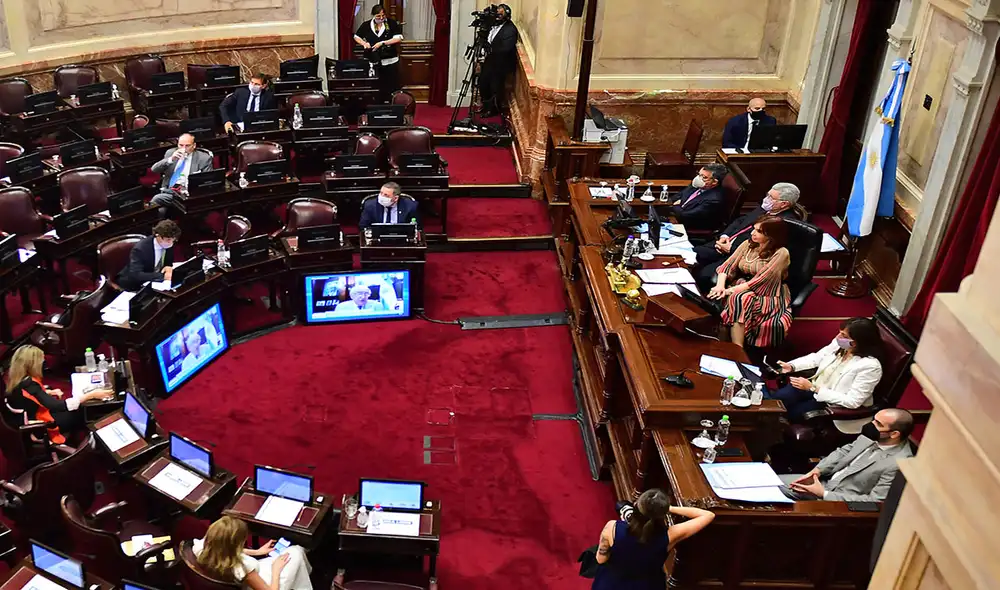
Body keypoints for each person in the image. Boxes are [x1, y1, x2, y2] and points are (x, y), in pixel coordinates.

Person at [779, 409, 914, 502]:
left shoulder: (898, 464)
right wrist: (818, 470)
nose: (871, 425)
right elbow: (843, 452)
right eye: (874, 420)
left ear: (894, 434)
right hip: (823, 481)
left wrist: (823, 494)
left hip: (838, 501)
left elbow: (876, 501)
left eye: (878, 424)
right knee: (765, 483)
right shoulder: (872, 436)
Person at [591, 488, 714, 589]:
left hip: (612, 584)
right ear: (662, 515)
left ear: (636, 506)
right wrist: (669, 508)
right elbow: (708, 515)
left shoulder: (612, 527)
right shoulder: (670, 535)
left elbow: (601, 559)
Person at [692, 182, 804, 291]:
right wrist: (725, 236)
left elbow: (764, 250)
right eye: (768, 195)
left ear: (784, 204)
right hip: (725, 243)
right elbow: (741, 220)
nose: (766, 199)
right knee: (690, 255)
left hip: (741, 256)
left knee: (703, 276)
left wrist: (731, 249)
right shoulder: (765, 209)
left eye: (771, 197)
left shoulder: (782, 223)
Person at [771, 317, 885, 420]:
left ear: (855, 343)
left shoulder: (870, 367)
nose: (837, 337)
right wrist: (792, 366)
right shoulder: (840, 345)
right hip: (812, 388)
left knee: (788, 415)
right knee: (776, 401)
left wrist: (814, 388)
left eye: (844, 336)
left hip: (831, 403)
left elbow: (853, 401)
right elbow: (817, 358)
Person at [707, 216, 791, 348]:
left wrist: (728, 291)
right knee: (734, 296)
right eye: (754, 229)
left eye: (758, 231)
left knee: (740, 298)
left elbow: (760, 281)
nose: (752, 233)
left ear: (771, 236)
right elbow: (727, 266)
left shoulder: (781, 253)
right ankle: (728, 345)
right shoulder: (748, 244)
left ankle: (737, 348)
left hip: (767, 293)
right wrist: (719, 286)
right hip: (741, 285)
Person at [4, 345, 111, 444]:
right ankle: (93, 441)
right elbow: (58, 406)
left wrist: (48, 392)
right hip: (39, 426)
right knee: (82, 412)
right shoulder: (29, 384)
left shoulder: (17, 379)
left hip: (27, 417)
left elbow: (30, 397)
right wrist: (91, 395)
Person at [194, 516, 312, 590]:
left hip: (246, 577)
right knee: (297, 552)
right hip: (261, 584)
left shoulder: (200, 547)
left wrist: (257, 552)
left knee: (295, 556)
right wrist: (276, 569)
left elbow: (225, 549)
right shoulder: (244, 567)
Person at [149, 134, 214, 219]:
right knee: (158, 205)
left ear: (194, 145)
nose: (183, 148)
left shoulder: (204, 158)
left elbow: (208, 180)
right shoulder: (170, 153)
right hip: (171, 191)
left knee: (158, 199)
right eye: (181, 145)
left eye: (187, 145)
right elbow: (154, 169)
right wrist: (171, 159)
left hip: (190, 194)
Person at [354, 5, 404, 102]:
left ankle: (390, 103)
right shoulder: (366, 25)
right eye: (378, 16)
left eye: (383, 16)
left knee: (390, 84)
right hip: (373, 60)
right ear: (373, 15)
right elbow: (356, 36)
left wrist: (383, 43)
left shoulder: (391, 23)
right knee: (375, 85)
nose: (381, 18)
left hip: (389, 60)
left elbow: (398, 38)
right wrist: (364, 43)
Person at [116, 220, 181, 292]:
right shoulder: (140, 249)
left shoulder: (168, 243)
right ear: (158, 235)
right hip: (134, 285)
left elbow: (168, 262)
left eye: (173, 240)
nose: (171, 243)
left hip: (154, 282)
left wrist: (168, 267)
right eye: (168, 240)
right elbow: (136, 274)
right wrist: (162, 276)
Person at [478, 4, 518, 118]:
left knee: (495, 86)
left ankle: (493, 109)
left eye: (500, 14)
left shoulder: (510, 29)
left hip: (501, 63)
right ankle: (485, 106)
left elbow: (507, 48)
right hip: (489, 60)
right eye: (497, 14)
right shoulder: (492, 25)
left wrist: (491, 50)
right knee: (483, 83)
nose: (497, 17)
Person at [670, 164, 728, 231]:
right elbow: (678, 195)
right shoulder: (697, 185)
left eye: (704, 177)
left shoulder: (714, 199)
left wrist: (674, 206)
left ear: (714, 182)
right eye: (699, 174)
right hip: (677, 214)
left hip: (689, 225)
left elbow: (687, 215)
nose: (698, 179)